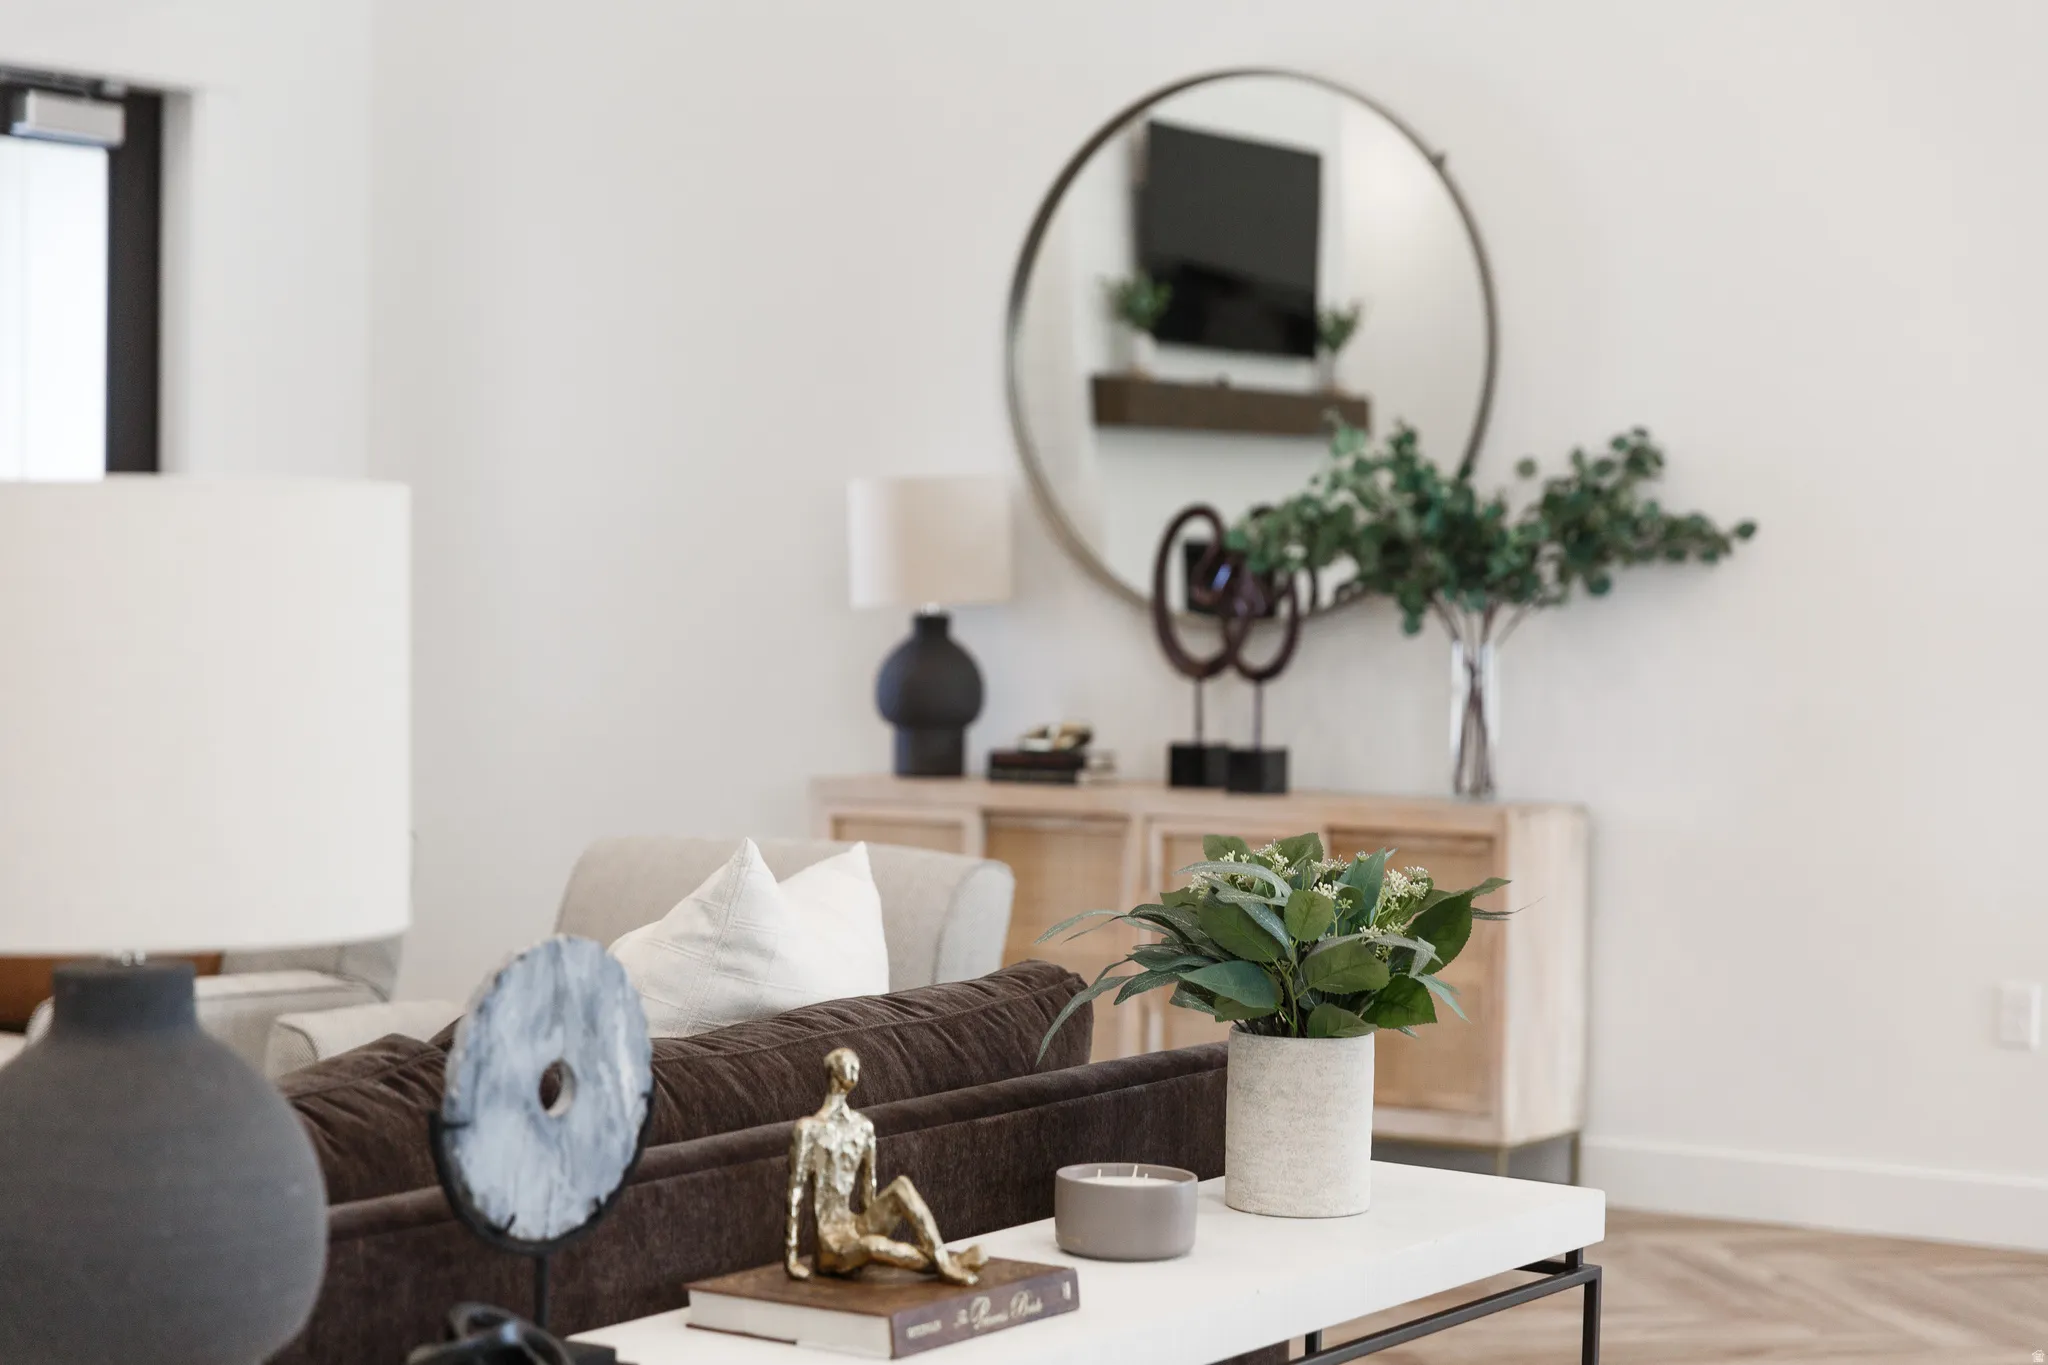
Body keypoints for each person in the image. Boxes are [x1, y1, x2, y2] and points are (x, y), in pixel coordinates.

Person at [783, 1047, 987, 1285]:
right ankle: (951, 1264)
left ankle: (942, 1260)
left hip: (855, 1226)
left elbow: (868, 1190)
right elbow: (795, 1192)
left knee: (902, 1186)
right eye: (849, 1065)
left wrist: (872, 1223)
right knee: (872, 1246)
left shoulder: (862, 1127)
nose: (855, 1069)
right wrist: (791, 1259)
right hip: (831, 1243)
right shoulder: (809, 1129)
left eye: (856, 1066)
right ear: (833, 1072)